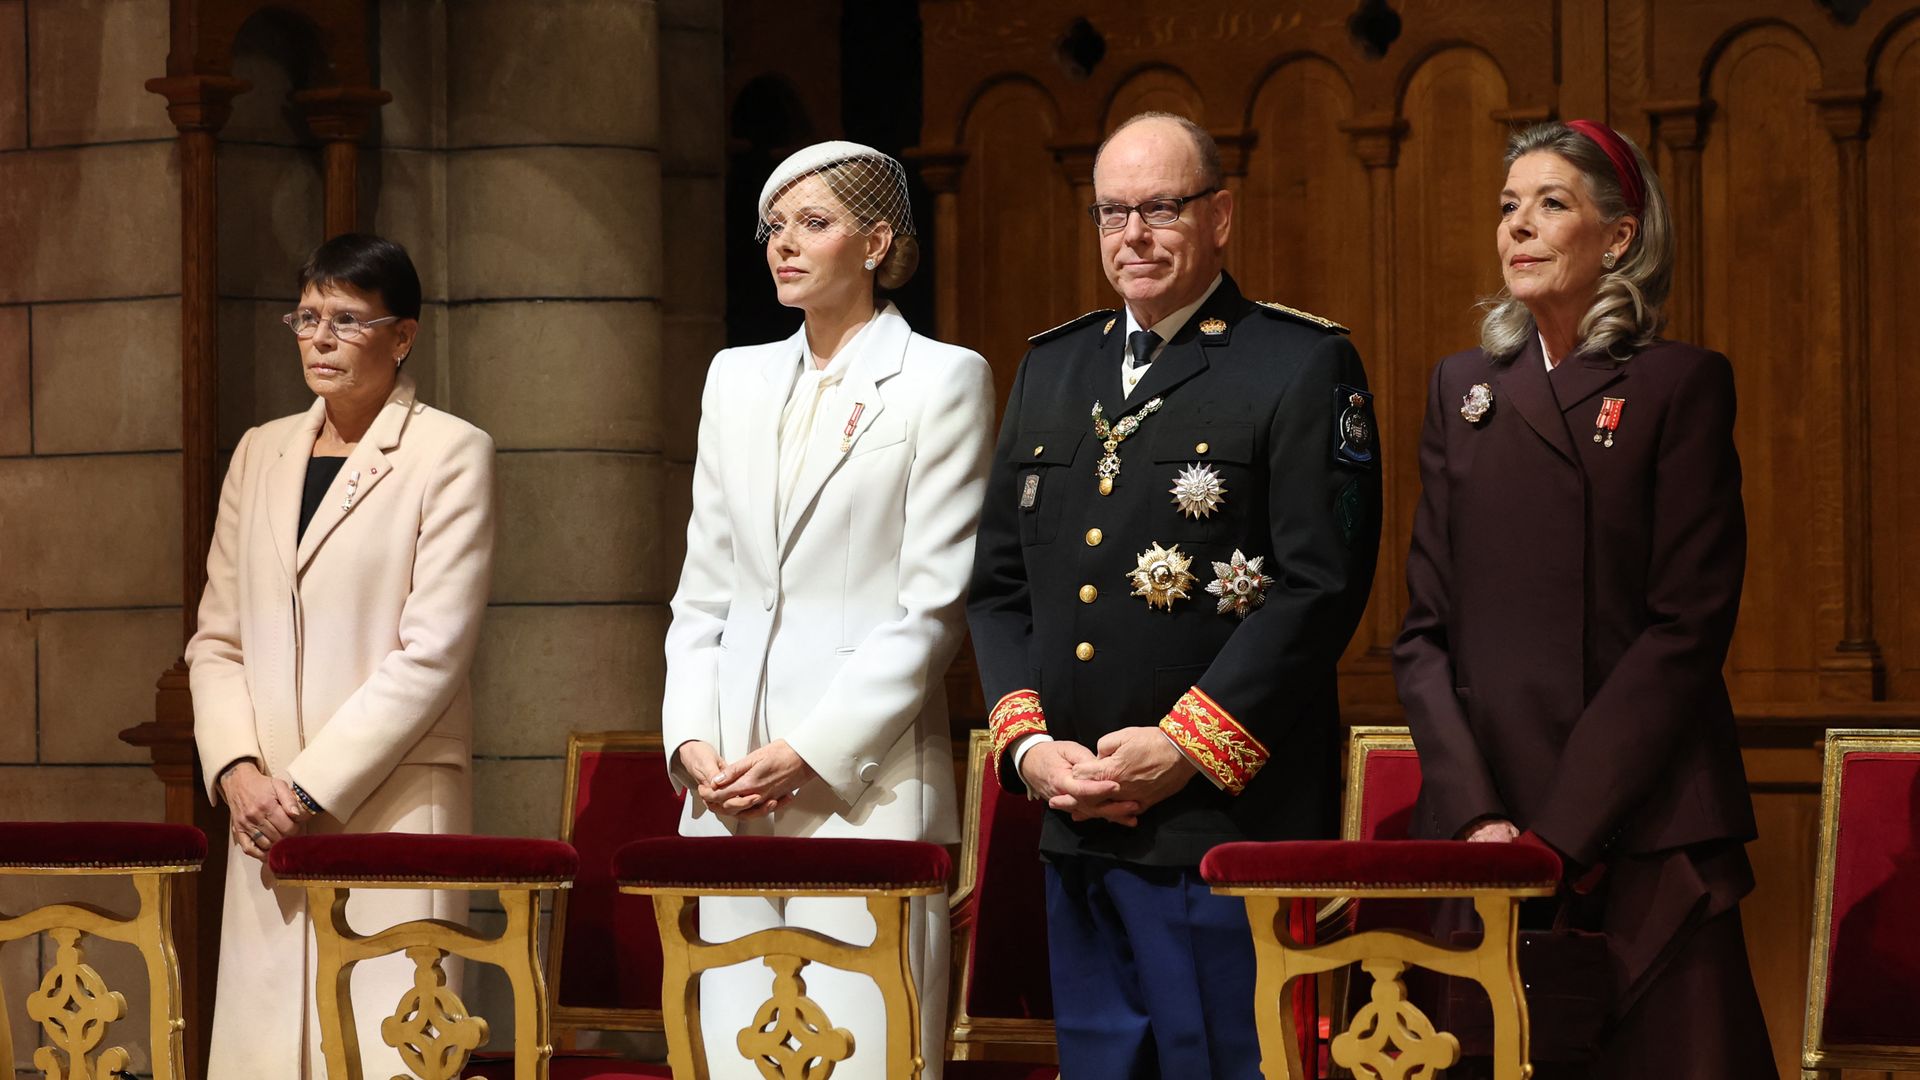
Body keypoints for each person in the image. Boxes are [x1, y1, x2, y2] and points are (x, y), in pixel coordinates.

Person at [966, 111, 1380, 1078]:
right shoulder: (1053, 367)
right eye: (1112, 212)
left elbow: (1320, 584)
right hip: (1076, 815)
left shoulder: (1298, 362)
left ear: (1220, 215)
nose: (1133, 236)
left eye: (1161, 208)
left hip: (1218, 827)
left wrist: (1186, 748)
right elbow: (999, 587)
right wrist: (1030, 750)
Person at [1393, 119, 1776, 1077]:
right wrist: (1478, 820)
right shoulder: (1463, 391)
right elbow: (1423, 635)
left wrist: (1560, 833)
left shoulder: (1678, 384)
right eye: (1507, 207)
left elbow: (1685, 629)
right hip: (1488, 834)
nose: (1518, 226)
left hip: (1641, 827)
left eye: (1550, 203)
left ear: (1618, 237)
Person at [661, 141, 994, 1079]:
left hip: (862, 790)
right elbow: (704, 591)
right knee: (739, 1056)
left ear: (877, 242)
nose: (784, 245)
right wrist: (693, 741)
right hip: (731, 791)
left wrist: (806, 751)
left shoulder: (941, 377)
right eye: (775, 226)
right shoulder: (735, 378)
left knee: (859, 1054)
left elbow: (932, 608)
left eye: (814, 224)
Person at [187, 233, 496, 1077]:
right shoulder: (260, 451)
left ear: (403, 337)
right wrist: (239, 773)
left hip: (387, 801)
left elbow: (433, 653)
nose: (320, 338)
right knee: (267, 1050)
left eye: (347, 320)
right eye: (308, 317)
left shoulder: (450, 452)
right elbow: (217, 639)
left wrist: (306, 788)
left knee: (379, 1043)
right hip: (262, 813)